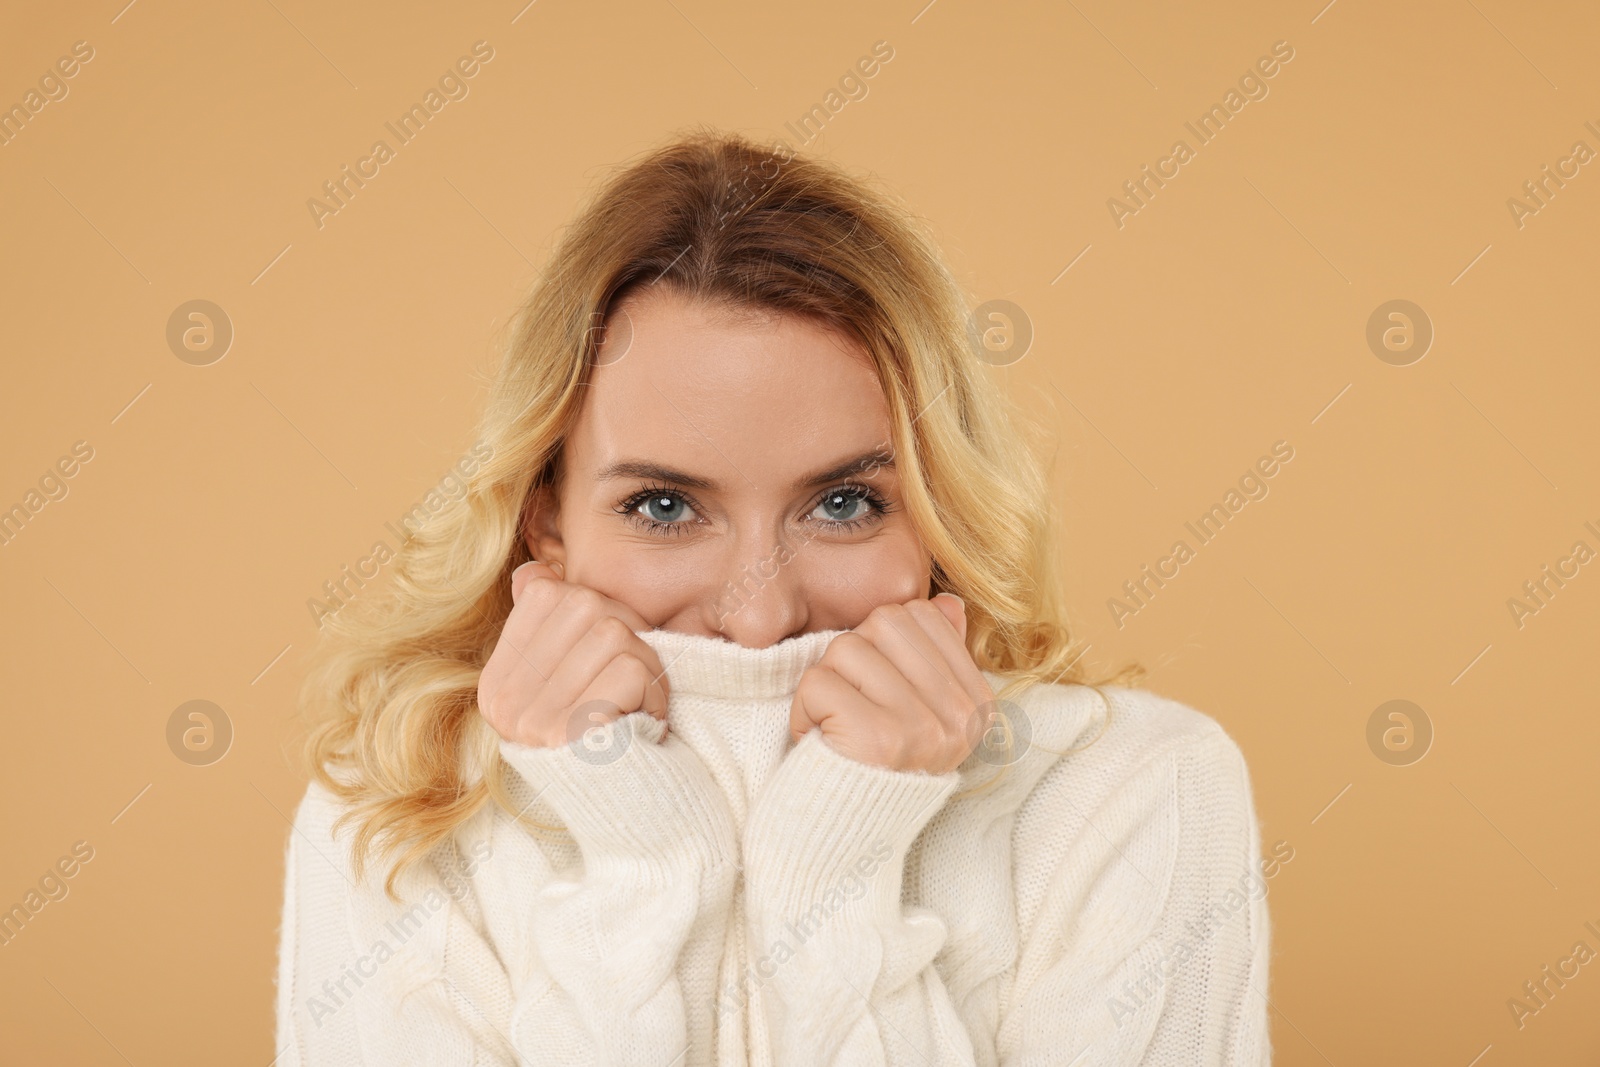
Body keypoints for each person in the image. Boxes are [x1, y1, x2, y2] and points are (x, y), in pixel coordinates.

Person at [274, 127, 1273, 1065]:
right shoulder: (398, 815)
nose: (760, 615)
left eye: (844, 502)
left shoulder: (1137, 789)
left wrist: (831, 873)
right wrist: (642, 868)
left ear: (936, 509)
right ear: (546, 520)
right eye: (664, 505)